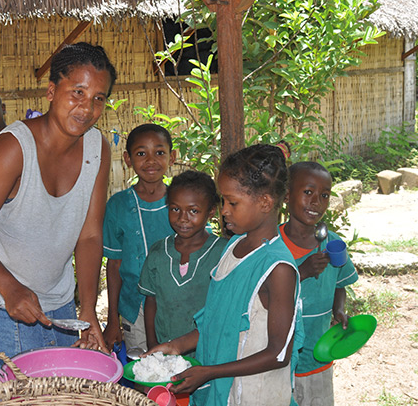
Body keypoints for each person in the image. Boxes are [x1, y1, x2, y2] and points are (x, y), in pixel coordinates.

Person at [0, 42, 117, 382]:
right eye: (77, 92)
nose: (86, 108)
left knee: (55, 396)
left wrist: (87, 310)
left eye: (98, 98)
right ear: (51, 90)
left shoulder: (97, 149)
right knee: (1, 399)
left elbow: (89, 234)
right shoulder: (13, 147)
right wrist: (9, 288)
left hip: (59, 303)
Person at [146, 144, 302, 406]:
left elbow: (279, 353)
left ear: (265, 202)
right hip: (222, 388)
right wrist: (176, 346)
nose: (224, 210)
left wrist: (210, 372)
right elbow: (218, 320)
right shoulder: (232, 247)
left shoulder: (278, 269)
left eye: (233, 202)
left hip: (254, 394)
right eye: (223, 201)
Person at [280, 161, 358, 406]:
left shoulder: (332, 244)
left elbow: (339, 283)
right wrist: (300, 272)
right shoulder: (272, 245)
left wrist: (339, 309)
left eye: (324, 195)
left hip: (319, 354)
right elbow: (259, 293)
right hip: (279, 360)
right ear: (286, 195)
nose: (316, 202)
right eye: (307, 192)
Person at [102, 123, 176, 352]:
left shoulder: (181, 201)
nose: (151, 160)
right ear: (127, 158)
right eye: (141, 153)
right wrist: (114, 320)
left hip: (177, 303)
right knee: (142, 371)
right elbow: (114, 266)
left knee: (178, 369)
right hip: (135, 307)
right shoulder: (118, 206)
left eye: (160, 153)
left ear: (172, 157)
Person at [138, 170, 227, 353]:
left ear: (211, 211)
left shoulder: (223, 253)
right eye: (175, 209)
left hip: (208, 355)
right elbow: (151, 299)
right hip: (165, 351)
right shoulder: (158, 253)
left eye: (193, 211)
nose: (183, 218)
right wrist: (152, 343)